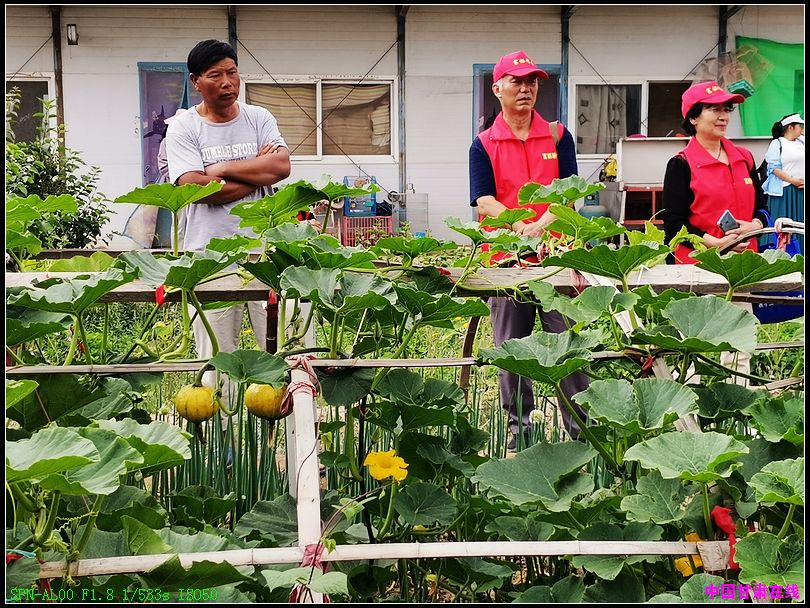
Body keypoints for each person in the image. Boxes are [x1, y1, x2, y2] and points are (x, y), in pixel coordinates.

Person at [468, 50, 590, 449]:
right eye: (517, 81)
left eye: (532, 82)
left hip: (557, 259)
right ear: (497, 88)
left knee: (568, 348)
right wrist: (519, 224)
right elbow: (483, 199)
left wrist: (542, 224)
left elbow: (570, 193)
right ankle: (519, 437)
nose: (526, 88)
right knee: (512, 353)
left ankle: (582, 437)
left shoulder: (557, 135)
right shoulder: (483, 144)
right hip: (507, 262)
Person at [166, 39, 291, 399]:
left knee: (284, 354)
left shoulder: (259, 118)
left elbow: (281, 166)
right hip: (210, 258)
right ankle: (223, 434)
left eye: (232, 72)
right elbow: (195, 187)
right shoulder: (184, 127)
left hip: (264, 254)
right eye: (215, 75)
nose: (227, 82)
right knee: (216, 362)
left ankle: (285, 427)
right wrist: (255, 172)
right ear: (196, 81)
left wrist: (220, 169)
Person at [661, 80, 769, 385]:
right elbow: (674, 224)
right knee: (695, 347)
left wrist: (755, 226)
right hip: (697, 267)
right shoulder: (681, 164)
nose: (723, 116)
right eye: (714, 109)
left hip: (741, 267)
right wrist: (715, 243)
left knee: (739, 346)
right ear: (694, 117)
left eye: (727, 109)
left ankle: (735, 402)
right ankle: (690, 409)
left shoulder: (744, 158)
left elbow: (762, 206)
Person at [762, 113, 804, 253]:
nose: (802, 129)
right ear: (791, 127)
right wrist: (793, 181)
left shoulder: (801, 142)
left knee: (799, 224)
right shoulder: (778, 143)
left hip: (801, 190)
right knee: (782, 226)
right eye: (800, 126)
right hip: (784, 191)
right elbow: (773, 168)